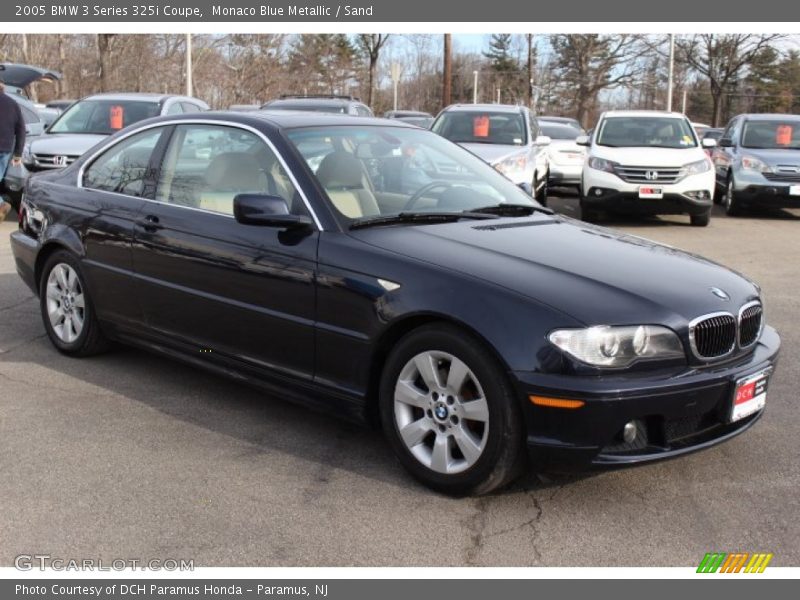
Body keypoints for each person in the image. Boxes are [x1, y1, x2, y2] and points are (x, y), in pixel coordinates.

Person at [0, 80, 26, 220]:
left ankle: (2, 205)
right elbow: (21, 129)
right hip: (5, 149)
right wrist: (18, 154)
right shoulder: (13, 104)